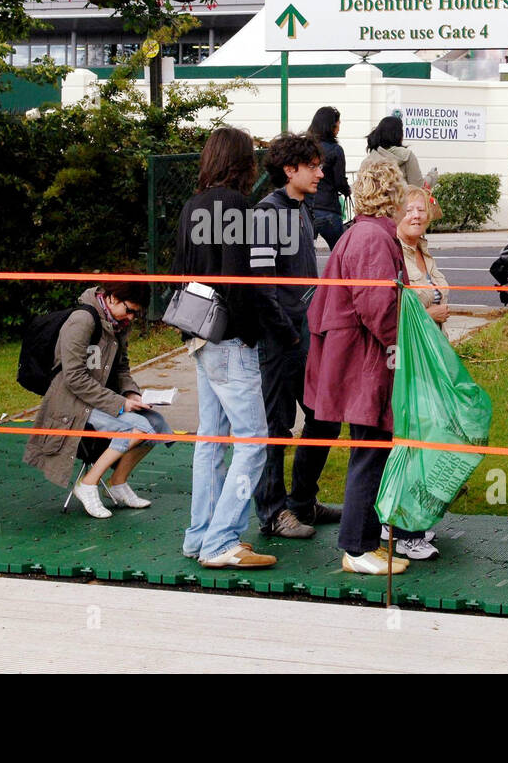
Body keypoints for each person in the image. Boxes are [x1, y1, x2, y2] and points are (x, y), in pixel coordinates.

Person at [174, 126, 274, 569]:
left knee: (211, 440)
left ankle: (201, 536)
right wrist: (259, 329)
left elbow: (181, 272)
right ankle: (222, 539)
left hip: (199, 333)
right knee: (253, 442)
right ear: (242, 162)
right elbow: (240, 280)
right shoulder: (238, 205)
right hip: (231, 338)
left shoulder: (191, 206)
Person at [305, 158, 409, 576]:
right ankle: (355, 546)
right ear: (392, 196)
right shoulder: (372, 238)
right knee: (369, 448)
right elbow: (377, 305)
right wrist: (401, 345)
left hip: (358, 356)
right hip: (365, 359)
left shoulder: (362, 233)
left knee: (374, 445)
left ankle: (364, 542)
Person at [251, 133, 342, 540]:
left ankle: (302, 501)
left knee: (325, 417)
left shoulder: (302, 209)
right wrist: (286, 334)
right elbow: (262, 286)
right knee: (276, 427)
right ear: (291, 170)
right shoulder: (267, 214)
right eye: (314, 166)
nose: (322, 173)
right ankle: (273, 513)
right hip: (279, 340)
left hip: (306, 335)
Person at [24, 280, 169, 517]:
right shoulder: (83, 320)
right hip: (71, 403)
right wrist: (120, 404)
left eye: (136, 313)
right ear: (112, 298)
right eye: (129, 310)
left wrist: (131, 393)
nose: (131, 317)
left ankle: (118, 482)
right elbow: (73, 378)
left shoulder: (118, 324)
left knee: (157, 424)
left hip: (99, 398)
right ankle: (87, 484)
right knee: (137, 429)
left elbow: (122, 368)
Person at [380, 184, 450, 561]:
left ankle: (407, 518)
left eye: (422, 209)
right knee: (411, 440)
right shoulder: (396, 254)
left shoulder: (423, 251)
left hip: (432, 358)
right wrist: (430, 313)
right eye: (409, 209)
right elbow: (396, 306)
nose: (416, 215)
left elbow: (436, 292)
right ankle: (403, 528)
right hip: (408, 359)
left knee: (429, 436)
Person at [306, 106, 351, 251]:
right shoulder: (336, 150)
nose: (339, 127)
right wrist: (347, 190)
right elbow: (339, 181)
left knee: (306, 253)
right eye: (338, 124)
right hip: (328, 208)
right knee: (341, 252)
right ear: (331, 126)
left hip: (307, 208)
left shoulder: (306, 147)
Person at [360, 115, 425, 189]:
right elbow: (417, 187)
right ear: (399, 135)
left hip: (376, 200)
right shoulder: (407, 156)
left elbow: (363, 190)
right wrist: (432, 177)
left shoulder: (368, 160)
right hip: (401, 200)